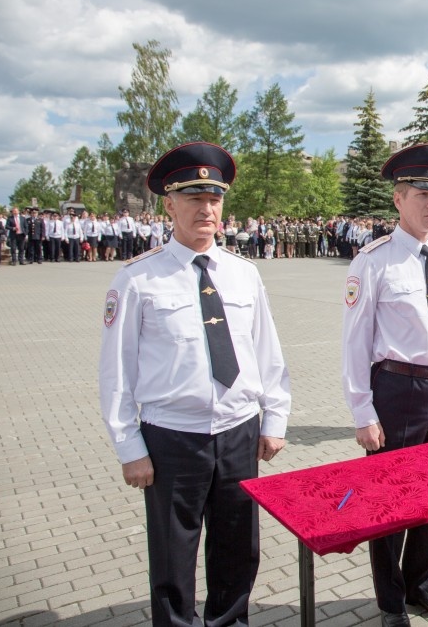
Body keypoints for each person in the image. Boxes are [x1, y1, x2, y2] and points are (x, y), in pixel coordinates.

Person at [98, 142, 292, 626]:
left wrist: (276, 418)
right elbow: (116, 370)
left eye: (215, 200)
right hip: (171, 438)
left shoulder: (245, 274)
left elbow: (267, 352)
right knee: (172, 556)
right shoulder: (139, 279)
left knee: (238, 549)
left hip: (239, 432)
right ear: (170, 204)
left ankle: (230, 621)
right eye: (194, 200)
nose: (207, 210)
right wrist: (128, 446)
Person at [341, 143, 428, 626]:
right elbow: (355, 343)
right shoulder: (373, 261)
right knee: (389, 500)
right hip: (397, 392)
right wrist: (363, 411)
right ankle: (390, 600)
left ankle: (423, 584)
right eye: (422, 193)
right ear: (399, 199)